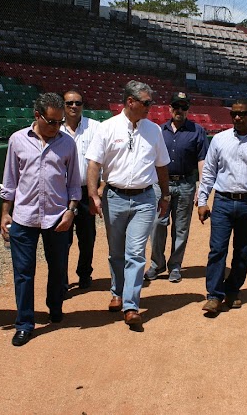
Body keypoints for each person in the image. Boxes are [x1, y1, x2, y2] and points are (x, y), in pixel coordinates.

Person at [85, 80, 170, 328]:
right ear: (130, 102)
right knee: (116, 251)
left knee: (136, 253)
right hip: (115, 196)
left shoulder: (154, 130)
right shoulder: (107, 128)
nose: (150, 107)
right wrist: (93, 195)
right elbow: (94, 164)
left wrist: (165, 196)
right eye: (146, 103)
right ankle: (117, 292)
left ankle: (131, 306)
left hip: (145, 198)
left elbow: (161, 165)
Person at [0, 93, 82, 347]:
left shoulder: (67, 144)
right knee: (23, 272)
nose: (57, 127)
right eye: (52, 122)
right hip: (24, 217)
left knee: (58, 268)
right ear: (37, 116)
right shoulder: (17, 140)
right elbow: (10, 180)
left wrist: (71, 211)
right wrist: (5, 212)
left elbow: (74, 184)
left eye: (60, 122)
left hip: (57, 218)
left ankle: (54, 305)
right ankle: (25, 323)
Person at [198, 98, 247, 314]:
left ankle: (232, 290)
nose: (237, 117)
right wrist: (203, 200)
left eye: (242, 113)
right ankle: (214, 295)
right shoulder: (219, 140)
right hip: (223, 201)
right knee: (217, 250)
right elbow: (208, 173)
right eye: (234, 113)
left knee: (242, 252)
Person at [145, 92, 208, 283]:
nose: (179, 110)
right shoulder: (158, 130)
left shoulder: (197, 131)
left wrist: (202, 187)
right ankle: (157, 264)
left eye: (184, 107)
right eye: (176, 106)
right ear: (170, 108)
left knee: (181, 228)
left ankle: (175, 266)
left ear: (188, 109)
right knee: (157, 225)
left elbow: (202, 160)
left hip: (186, 184)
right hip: (160, 184)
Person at [60, 89, 101, 290]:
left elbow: (104, 160)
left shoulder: (95, 127)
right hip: (61, 194)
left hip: (86, 192)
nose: (74, 106)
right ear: (63, 106)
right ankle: (62, 278)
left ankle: (85, 273)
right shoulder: (54, 127)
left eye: (77, 103)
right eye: (69, 103)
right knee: (62, 238)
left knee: (87, 237)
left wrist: (99, 189)